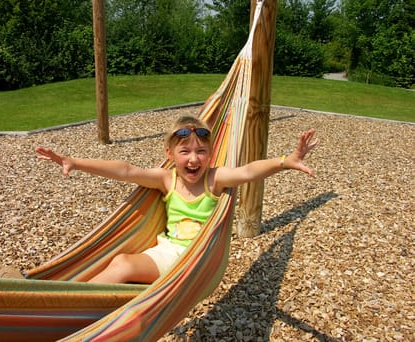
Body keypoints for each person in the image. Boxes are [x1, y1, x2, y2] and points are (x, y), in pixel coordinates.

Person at [35, 116, 319, 284]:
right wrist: (75, 162)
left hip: (191, 262)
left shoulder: (215, 179)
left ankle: (72, 298)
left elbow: (248, 171)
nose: (194, 159)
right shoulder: (167, 179)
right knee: (116, 258)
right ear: (170, 155)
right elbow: (125, 170)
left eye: (201, 151)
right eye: (185, 151)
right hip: (166, 251)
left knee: (123, 266)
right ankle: (65, 295)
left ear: (211, 154)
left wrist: (285, 160)